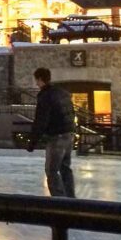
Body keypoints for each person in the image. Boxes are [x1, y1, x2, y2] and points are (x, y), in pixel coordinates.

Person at [25, 67, 76, 198]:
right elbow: (71, 112)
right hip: (69, 133)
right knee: (65, 168)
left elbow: (41, 120)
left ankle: (59, 201)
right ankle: (71, 198)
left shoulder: (45, 96)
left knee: (52, 170)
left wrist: (32, 142)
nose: (36, 83)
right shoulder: (62, 92)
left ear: (40, 79)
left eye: (36, 80)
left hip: (56, 136)